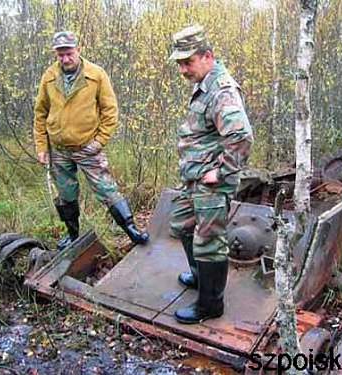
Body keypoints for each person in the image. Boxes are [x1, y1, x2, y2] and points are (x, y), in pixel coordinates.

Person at [169, 25, 253, 324]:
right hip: (194, 178)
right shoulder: (203, 82)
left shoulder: (222, 90)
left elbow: (241, 136)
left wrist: (222, 172)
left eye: (187, 62)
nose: (182, 69)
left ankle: (210, 304)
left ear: (207, 56)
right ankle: (199, 277)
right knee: (180, 223)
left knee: (209, 240)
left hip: (211, 183)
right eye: (179, 63)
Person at [33, 31, 149, 250]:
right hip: (58, 149)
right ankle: (73, 235)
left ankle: (131, 228)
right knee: (66, 195)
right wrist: (41, 146)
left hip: (88, 147)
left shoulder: (96, 75)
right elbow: (40, 113)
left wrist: (99, 142)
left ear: (78, 49)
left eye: (68, 53)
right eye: (60, 55)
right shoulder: (49, 77)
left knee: (106, 188)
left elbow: (110, 111)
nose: (65, 59)